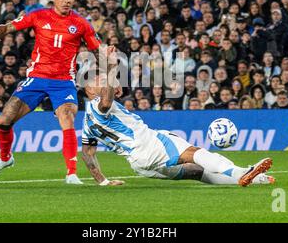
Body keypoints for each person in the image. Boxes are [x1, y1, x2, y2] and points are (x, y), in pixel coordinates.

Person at [81, 46, 274, 187]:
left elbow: (87, 153)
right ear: (89, 89)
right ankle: (242, 172)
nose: (103, 80)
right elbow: (105, 102)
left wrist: (103, 182)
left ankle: (255, 180)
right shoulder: (98, 106)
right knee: (195, 153)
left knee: (196, 171)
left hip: (139, 164)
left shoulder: (88, 122)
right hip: (149, 144)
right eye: (98, 79)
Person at [0, 0, 102, 184]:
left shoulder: (81, 24)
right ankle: (5, 158)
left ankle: (71, 173)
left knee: (67, 118)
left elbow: (97, 51)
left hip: (63, 81)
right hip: (37, 78)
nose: (67, 0)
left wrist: (112, 76)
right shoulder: (38, 16)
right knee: (4, 120)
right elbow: (9, 26)